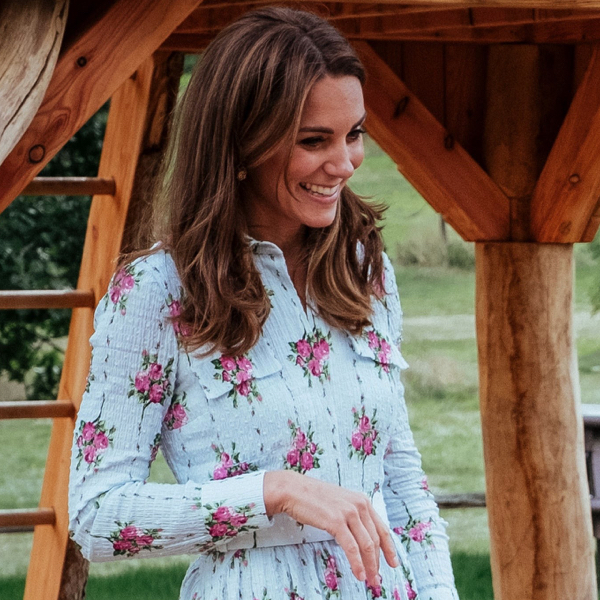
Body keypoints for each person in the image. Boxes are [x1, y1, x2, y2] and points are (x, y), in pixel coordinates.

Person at [68, 7, 460, 600]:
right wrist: (274, 491)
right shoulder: (156, 292)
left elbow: (401, 483)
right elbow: (97, 516)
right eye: (313, 141)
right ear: (243, 142)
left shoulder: (365, 268)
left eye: (353, 134)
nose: (344, 164)